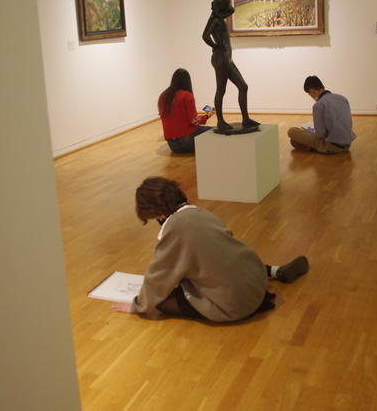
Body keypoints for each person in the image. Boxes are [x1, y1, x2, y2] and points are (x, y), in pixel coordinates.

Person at [111, 177, 309, 321]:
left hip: (235, 304)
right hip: (255, 283)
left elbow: (158, 278)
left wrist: (137, 305)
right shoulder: (200, 213)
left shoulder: (174, 229)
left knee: (161, 301)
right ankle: (273, 271)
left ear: (157, 212)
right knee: (222, 259)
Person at [202, 0, 259, 133]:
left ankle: (245, 119)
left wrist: (222, 11)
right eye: (227, 3)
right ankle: (220, 121)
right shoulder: (214, 19)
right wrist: (216, 46)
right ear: (222, 5)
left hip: (227, 59)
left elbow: (232, 10)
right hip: (221, 59)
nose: (229, 6)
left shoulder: (219, 16)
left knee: (243, 86)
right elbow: (205, 36)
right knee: (221, 90)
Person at [287, 76, 356, 154]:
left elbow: (320, 135)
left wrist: (311, 132)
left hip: (332, 146)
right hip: (347, 144)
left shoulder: (319, 105)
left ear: (312, 91)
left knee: (291, 131)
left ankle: (319, 148)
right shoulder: (342, 98)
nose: (311, 96)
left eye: (309, 94)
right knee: (297, 139)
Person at [159, 68, 212, 154]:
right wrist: (208, 115)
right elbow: (194, 121)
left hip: (172, 145)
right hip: (186, 142)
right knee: (215, 131)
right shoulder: (187, 96)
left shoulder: (163, 95)